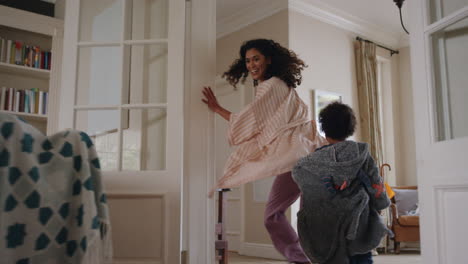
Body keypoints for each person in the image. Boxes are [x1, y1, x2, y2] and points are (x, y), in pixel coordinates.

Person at [202, 39, 326, 264]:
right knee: (308, 218)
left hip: (296, 156)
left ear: (268, 59)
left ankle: (301, 260)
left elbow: (250, 120)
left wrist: (217, 108)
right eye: (248, 61)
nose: (251, 65)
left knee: (272, 216)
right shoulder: (284, 86)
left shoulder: (271, 86)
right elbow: (261, 123)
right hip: (308, 153)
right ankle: (310, 258)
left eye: (256, 59)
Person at [292, 102, 391, 264]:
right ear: (350, 128)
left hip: (326, 222)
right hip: (357, 220)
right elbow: (376, 185)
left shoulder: (312, 162)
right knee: (361, 255)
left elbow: (300, 177)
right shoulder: (361, 154)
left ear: (324, 129)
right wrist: (381, 203)